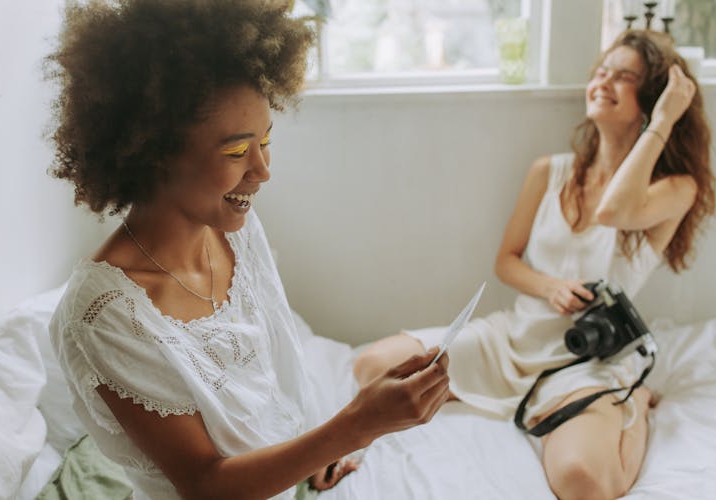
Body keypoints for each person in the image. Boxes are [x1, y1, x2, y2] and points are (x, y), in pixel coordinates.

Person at [46, 1, 450, 499]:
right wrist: (357, 424)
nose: (262, 170)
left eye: (266, 140)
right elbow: (203, 486)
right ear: (152, 152)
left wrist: (318, 447)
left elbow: (266, 385)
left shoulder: (236, 230)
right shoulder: (103, 315)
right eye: (237, 150)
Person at [354, 30, 716, 500]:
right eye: (601, 70)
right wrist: (548, 288)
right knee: (372, 364)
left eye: (624, 76)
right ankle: (514, 395)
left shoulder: (676, 188)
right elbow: (506, 261)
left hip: (584, 363)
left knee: (582, 482)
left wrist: (663, 121)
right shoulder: (550, 171)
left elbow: (615, 211)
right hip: (513, 341)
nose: (603, 81)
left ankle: (636, 400)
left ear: (650, 98)